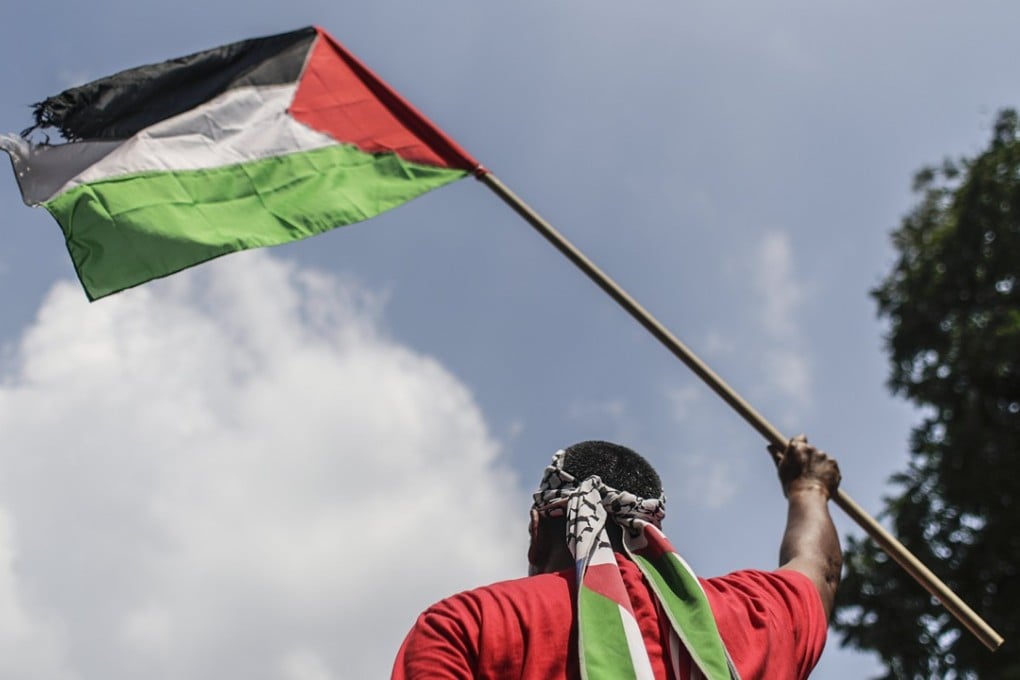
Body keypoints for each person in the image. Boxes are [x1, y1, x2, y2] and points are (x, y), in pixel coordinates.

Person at [391, 435, 841, 679]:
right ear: (650, 532)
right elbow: (818, 570)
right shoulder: (750, 616)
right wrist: (809, 488)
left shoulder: (469, 625)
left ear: (537, 533)